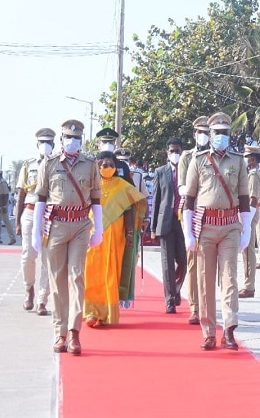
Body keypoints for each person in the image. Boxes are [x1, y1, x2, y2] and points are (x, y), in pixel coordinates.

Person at [183, 112, 252, 351]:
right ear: (209, 135)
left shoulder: (238, 161)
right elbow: (189, 199)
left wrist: (247, 230)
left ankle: (230, 329)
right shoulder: (198, 160)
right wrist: (188, 233)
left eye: (224, 133)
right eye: (216, 133)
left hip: (230, 225)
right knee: (205, 280)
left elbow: (244, 198)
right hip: (205, 226)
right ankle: (209, 332)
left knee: (229, 278)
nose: (221, 137)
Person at [34, 119, 103, 355]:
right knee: (57, 281)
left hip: (81, 225)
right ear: (61, 140)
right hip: (56, 225)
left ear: (82, 140)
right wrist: (36, 233)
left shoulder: (90, 165)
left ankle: (74, 333)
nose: (72, 141)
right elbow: (41, 198)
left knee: (77, 277)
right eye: (68, 137)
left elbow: (96, 197)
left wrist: (99, 228)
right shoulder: (50, 164)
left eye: (76, 138)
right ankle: (59, 333)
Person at [84, 152, 147, 326]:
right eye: (103, 164)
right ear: (97, 166)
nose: (106, 167)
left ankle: (107, 314)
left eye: (110, 164)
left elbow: (131, 209)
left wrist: (129, 234)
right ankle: (91, 312)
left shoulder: (122, 185)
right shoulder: (90, 184)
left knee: (111, 272)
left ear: (116, 166)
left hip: (116, 235)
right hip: (93, 233)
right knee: (92, 271)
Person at [16, 128, 55, 315]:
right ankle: (29, 289)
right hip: (30, 212)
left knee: (48, 259)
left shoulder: (58, 164)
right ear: (37, 144)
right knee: (28, 256)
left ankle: (41, 299)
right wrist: (17, 221)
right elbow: (21, 194)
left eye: (48, 142)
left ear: (54, 145)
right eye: (42, 142)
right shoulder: (28, 165)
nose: (45, 145)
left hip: (50, 214)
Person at [177, 115, 210, 325]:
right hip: (191, 210)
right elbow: (182, 188)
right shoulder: (187, 157)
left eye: (207, 133)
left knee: (207, 261)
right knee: (192, 260)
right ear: (194, 134)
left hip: (210, 211)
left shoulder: (214, 156)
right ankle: (195, 307)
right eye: (201, 132)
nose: (204, 136)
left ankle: (208, 305)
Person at [150, 137, 188, 314]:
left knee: (183, 260)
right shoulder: (160, 172)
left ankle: (176, 288)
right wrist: (152, 227)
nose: (175, 154)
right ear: (167, 153)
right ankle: (170, 300)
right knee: (167, 263)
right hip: (166, 221)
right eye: (172, 151)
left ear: (182, 151)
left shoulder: (188, 171)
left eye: (177, 151)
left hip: (183, 221)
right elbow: (156, 199)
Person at [240, 145, 260, 298]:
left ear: (252, 159)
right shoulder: (250, 174)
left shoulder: (253, 175)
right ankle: (248, 284)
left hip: (250, 214)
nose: (245, 159)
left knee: (248, 251)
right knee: (245, 250)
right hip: (248, 214)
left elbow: (253, 199)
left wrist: (246, 221)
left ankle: (249, 286)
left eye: (246, 157)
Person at [0, 171, 16, 245]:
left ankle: (12, 238)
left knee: (6, 221)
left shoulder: (2, 182)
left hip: (3, 205)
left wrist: (3, 206)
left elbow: (5, 195)